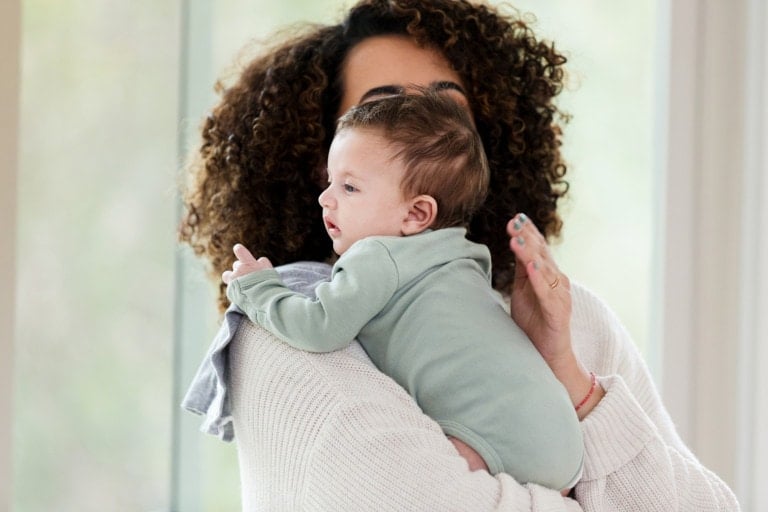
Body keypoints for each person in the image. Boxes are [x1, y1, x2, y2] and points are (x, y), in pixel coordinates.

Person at [180, 0, 741, 510]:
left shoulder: (572, 319)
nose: (426, 128)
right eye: (386, 112)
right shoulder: (276, 327)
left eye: (448, 113)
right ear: (322, 155)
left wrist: (569, 375)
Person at [220, 91, 585, 491]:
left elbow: (319, 327)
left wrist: (258, 289)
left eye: (349, 188)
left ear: (415, 214)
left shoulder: (378, 254)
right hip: (562, 436)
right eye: (330, 182)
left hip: (491, 435)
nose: (325, 199)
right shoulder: (465, 256)